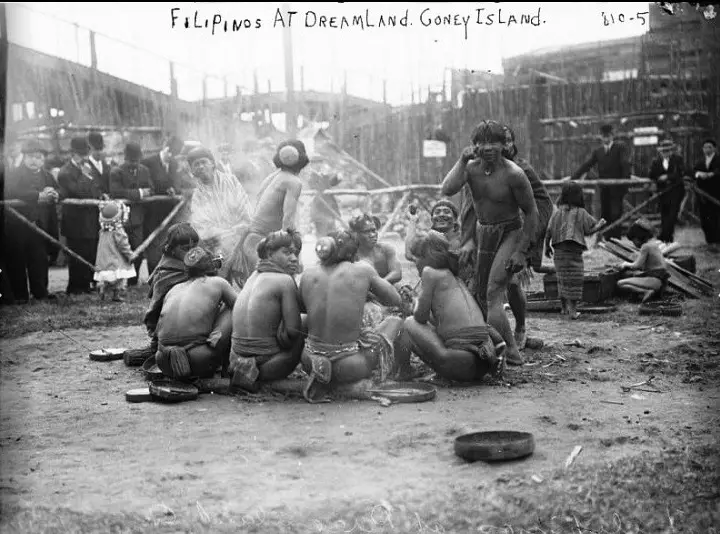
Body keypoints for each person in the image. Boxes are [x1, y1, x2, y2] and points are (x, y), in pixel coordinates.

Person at [441, 120, 538, 367]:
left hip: (510, 232)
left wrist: (521, 252)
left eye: (494, 142)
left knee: (494, 292)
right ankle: (508, 351)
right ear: (474, 146)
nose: (488, 148)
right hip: (483, 232)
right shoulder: (471, 168)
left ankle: (506, 353)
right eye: (482, 142)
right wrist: (462, 160)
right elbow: (447, 188)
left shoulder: (514, 174)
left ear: (504, 145)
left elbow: (531, 212)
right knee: (481, 296)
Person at [460, 123, 555, 349]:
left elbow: (541, 204)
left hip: (517, 232)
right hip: (486, 234)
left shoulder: (520, 170)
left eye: (509, 140)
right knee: (482, 289)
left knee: (510, 284)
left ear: (508, 144)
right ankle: (493, 340)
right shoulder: (477, 168)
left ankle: (519, 328)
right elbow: (470, 205)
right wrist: (469, 239)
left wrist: (528, 242)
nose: (507, 145)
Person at [298, 230, 409, 402]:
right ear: (353, 252)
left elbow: (304, 307)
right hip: (349, 365)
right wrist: (367, 289)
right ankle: (355, 384)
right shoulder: (363, 269)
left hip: (309, 359)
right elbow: (395, 300)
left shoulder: (308, 273)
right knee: (395, 322)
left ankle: (323, 377)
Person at [403, 231, 500, 382]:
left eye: (415, 258)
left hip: (457, 365)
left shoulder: (429, 272)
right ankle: (443, 372)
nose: (415, 262)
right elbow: (439, 322)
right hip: (481, 366)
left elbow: (419, 318)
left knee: (408, 323)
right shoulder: (454, 275)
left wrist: (414, 303)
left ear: (425, 257)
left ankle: (405, 371)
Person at [228, 229, 304, 392]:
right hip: (266, 367)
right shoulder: (284, 280)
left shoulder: (252, 277)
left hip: (235, 362)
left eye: (295, 254)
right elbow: (293, 332)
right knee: (305, 322)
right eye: (287, 252)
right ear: (269, 253)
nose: (293, 258)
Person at [123, 223, 200, 365]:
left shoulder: (193, 263)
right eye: (185, 249)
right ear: (172, 249)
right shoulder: (166, 271)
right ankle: (157, 347)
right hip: (169, 324)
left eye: (194, 248)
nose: (191, 253)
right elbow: (157, 305)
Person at [154, 247, 236, 379]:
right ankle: (227, 371)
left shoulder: (174, 289)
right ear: (213, 265)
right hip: (198, 360)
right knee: (232, 309)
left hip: (163, 361)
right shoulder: (218, 283)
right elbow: (241, 308)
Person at [234, 140, 308, 281]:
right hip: (264, 245)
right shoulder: (293, 182)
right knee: (282, 285)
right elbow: (288, 222)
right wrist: (295, 255)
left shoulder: (272, 177)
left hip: (253, 241)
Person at [185, 146, 254, 285]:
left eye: (203, 162)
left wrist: (241, 227)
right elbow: (201, 225)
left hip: (241, 236)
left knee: (248, 281)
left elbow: (244, 207)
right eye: (196, 164)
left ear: (212, 163)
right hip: (216, 244)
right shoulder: (197, 195)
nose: (201, 166)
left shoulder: (231, 181)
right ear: (192, 171)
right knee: (221, 281)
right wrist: (223, 234)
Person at [2, 139, 59, 304]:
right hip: (17, 226)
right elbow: (11, 190)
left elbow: (60, 189)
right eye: (31, 157)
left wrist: (55, 193)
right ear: (24, 157)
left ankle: (40, 292)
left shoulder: (47, 175)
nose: (35, 161)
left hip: (39, 226)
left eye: (39, 157)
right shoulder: (14, 174)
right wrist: (37, 196)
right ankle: (20, 295)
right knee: (17, 260)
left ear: (43, 159)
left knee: (39, 259)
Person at [544, 181, 606, 319]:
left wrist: (546, 246)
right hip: (573, 254)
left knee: (562, 279)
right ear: (579, 196)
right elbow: (588, 230)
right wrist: (599, 226)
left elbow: (548, 231)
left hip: (559, 253)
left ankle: (564, 308)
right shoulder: (581, 213)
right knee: (575, 280)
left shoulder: (557, 213)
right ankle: (573, 311)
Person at [57, 136, 109, 295]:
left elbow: (95, 189)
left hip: (90, 220)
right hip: (75, 221)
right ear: (72, 154)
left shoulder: (87, 168)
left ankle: (86, 285)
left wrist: (101, 196)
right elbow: (79, 192)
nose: (84, 158)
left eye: (85, 154)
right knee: (76, 255)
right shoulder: (65, 172)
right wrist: (85, 177)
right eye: (80, 154)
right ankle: (74, 287)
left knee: (90, 252)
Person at [571, 123, 632, 240]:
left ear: (612, 136)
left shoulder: (620, 148)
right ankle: (607, 238)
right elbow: (587, 165)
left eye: (608, 136)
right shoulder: (598, 151)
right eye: (604, 136)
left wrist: (625, 183)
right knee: (606, 213)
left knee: (616, 213)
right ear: (601, 137)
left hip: (617, 187)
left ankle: (616, 238)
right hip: (604, 189)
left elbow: (625, 165)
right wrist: (573, 178)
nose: (606, 139)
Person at [109, 142, 153, 286]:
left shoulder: (145, 170)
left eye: (136, 160)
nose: (134, 163)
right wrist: (140, 193)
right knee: (119, 250)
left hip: (138, 218)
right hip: (120, 218)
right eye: (131, 160)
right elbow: (116, 192)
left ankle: (133, 280)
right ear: (125, 158)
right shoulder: (116, 171)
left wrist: (143, 192)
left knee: (138, 249)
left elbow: (151, 189)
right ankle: (119, 281)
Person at [141, 135, 185, 276]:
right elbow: (147, 185)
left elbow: (177, 183)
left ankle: (165, 273)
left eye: (174, 156)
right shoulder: (148, 162)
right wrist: (162, 190)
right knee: (153, 243)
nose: (171, 158)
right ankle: (152, 274)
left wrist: (174, 189)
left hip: (169, 212)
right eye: (170, 154)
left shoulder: (174, 164)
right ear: (165, 148)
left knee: (167, 243)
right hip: (152, 212)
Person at [616, 218, 670, 303]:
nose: (633, 243)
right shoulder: (654, 244)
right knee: (634, 275)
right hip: (661, 282)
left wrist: (625, 264)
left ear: (638, 236)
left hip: (654, 281)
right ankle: (649, 292)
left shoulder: (645, 246)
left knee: (620, 283)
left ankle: (645, 291)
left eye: (633, 240)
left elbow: (637, 265)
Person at [94, 200, 136, 302]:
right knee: (119, 279)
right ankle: (116, 294)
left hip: (103, 261)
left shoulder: (103, 231)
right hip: (116, 261)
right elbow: (123, 246)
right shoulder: (118, 232)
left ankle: (102, 288)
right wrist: (130, 255)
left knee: (106, 278)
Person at [648, 138, 688, 244]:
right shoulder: (656, 161)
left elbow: (681, 173)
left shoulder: (678, 159)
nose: (666, 153)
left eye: (668, 150)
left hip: (676, 191)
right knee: (664, 214)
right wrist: (658, 178)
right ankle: (667, 237)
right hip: (663, 192)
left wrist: (668, 177)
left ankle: (665, 236)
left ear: (672, 150)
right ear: (660, 151)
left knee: (672, 214)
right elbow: (652, 174)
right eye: (664, 151)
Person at [350, 213, 403, 284]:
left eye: (373, 230)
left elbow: (397, 273)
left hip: (388, 290)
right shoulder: (352, 255)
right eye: (366, 232)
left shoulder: (385, 249)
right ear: (356, 234)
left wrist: (379, 285)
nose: (372, 235)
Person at [693, 138, 720, 248]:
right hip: (702, 194)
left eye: (709, 147)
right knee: (704, 217)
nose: (707, 149)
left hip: (716, 193)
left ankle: (717, 240)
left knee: (716, 216)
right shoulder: (700, 161)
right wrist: (698, 174)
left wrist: (711, 174)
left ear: (714, 148)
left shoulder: (718, 160)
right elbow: (693, 171)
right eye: (705, 147)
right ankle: (709, 240)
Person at [310, 172, 342, 238]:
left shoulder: (324, 180)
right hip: (322, 213)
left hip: (326, 213)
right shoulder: (319, 180)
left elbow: (334, 181)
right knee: (323, 235)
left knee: (330, 234)